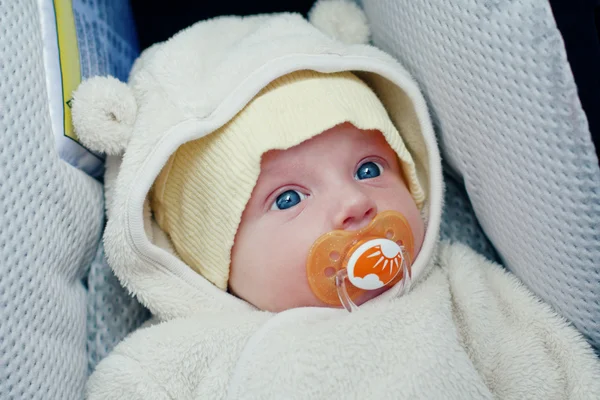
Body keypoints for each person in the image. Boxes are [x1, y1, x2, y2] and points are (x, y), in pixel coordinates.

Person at [72, 3, 600, 399]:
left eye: (369, 169)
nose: (353, 201)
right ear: (213, 264)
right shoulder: (185, 354)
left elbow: (559, 374)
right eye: (287, 199)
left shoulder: (461, 290)